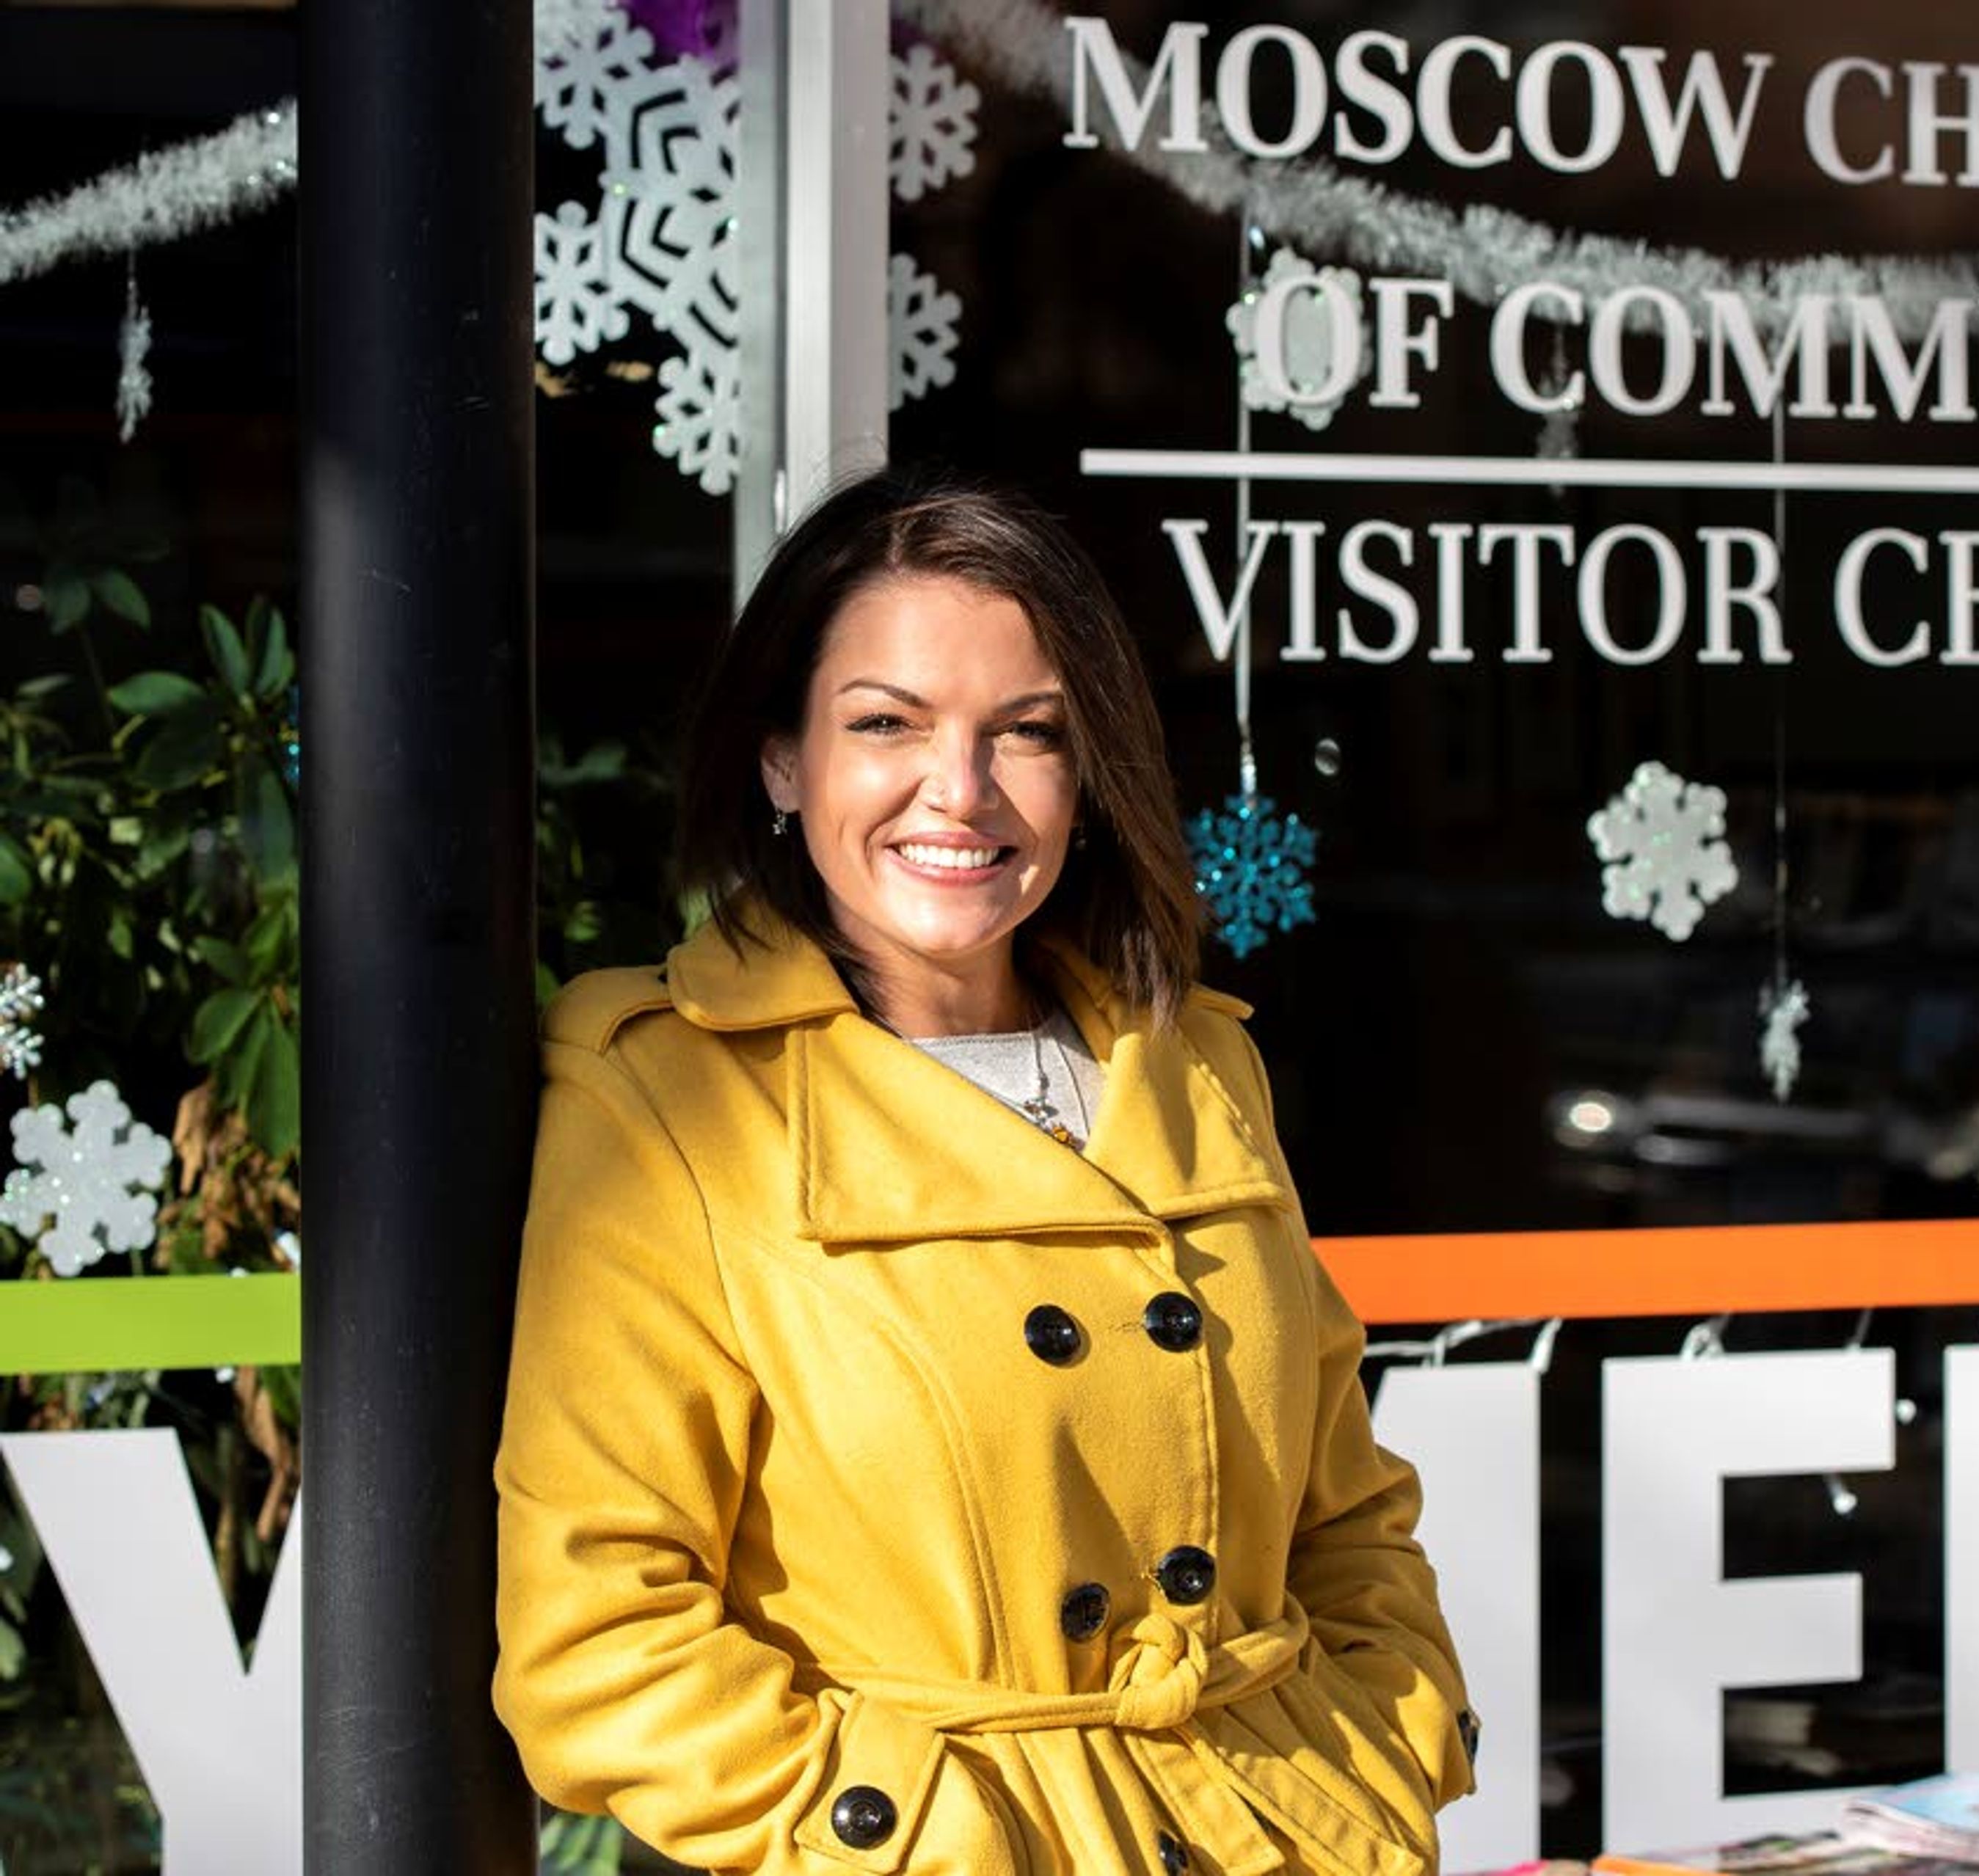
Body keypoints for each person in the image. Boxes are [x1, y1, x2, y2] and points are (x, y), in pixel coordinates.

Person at [494, 468, 1476, 1876]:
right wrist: (938, 1840)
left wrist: (1376, 1759)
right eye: (885, 724)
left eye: (1027, 733)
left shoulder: (1191, 1060)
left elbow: (1350, 1513)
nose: (958, 792)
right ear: (782, 758)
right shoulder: (671, 1088)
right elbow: (598, 1631)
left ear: (1089, 775)